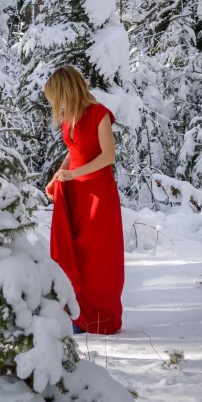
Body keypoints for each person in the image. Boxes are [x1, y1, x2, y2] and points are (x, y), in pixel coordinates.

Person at [44, 65, 124, 335]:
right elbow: (73, 151)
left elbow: (107, 157)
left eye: (57, 96)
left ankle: (97, 317)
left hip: (97, 193)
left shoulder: (99, 114)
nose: (56, 104)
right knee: (75, 252)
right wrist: (59, 174)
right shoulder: (70, 116)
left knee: (98, 257)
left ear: (67, 90)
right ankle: (76, 314)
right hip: (75, 191)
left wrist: (75, 173)